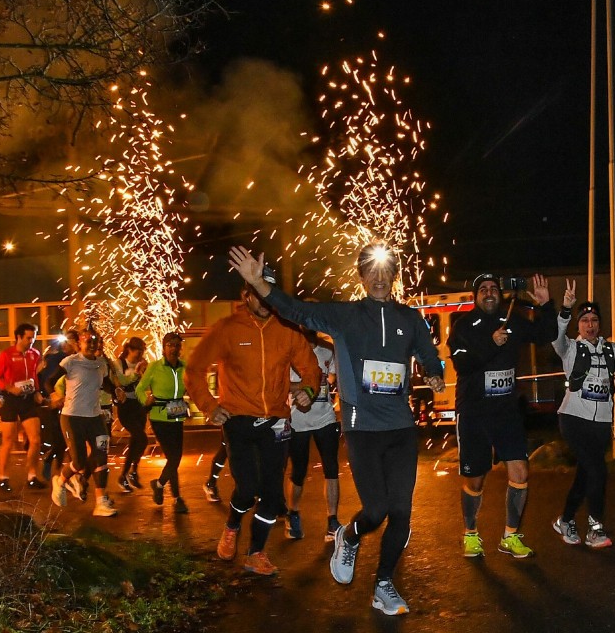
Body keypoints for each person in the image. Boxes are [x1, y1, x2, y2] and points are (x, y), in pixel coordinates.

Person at [230, 243, 444, 615]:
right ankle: (351, 535)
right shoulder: (345, 316)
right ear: (362, 278)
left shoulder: (409, 318)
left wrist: (436, 373)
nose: (379, 278)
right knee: (376, 509)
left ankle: (383, 583)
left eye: (385, 272)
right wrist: (260, 286)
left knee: (402, 513)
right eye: (371, 272)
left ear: (394, 277)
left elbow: (427, 351)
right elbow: (297, 310)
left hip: (401, 427)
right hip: (363, 428)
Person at [185, 280, 322, 577]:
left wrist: (308, 392)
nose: (264, 301)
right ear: (244, 295)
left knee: (273, 496)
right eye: (258, 295)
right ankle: (233, 524)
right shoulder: (227, 328)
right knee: (247, 488)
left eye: (268, 295)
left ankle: (256, 552)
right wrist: (209, 406)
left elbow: (312, 369)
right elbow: (195, 369)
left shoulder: (288, 329)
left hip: (276, 421)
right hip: (238, 420)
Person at [449, 273, 555, 560]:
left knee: (520, 472)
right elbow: (461, 362)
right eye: (483, 289)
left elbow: (547, 335)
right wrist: (491, 345)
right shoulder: (463, 325)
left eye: (493, 288)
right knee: (476, 481)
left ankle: (510, 536)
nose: (489, 293)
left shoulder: (514, 320)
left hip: (507, 412)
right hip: (474, 412)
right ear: (476, 296)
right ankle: (470, 533)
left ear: (499, 294)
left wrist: (546, 306)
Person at [551, 282, 615, 548]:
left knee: (587, 473)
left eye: (594, 320)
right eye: (585, 320)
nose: (590, 325)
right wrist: (566, 307)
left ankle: (565, 520)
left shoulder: (613, 350)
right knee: (597, 470)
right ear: (579, 325)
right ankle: (596, 528)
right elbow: (556, 335)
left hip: (601, 424)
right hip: (573, 419)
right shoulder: (570, 348)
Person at [49, 329, 118, 516]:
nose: (93, 345)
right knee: (78, 461)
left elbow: (106, 383)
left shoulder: (101, 364)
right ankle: (60, 481)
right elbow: (49, 381)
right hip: (72, 417)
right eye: (88, 341)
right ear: (80, 344)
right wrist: (55, 395)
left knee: (101, 455)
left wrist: (116, 392)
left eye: (96, 341)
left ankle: (101, 502)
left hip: (95, 418)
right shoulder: (71, 362)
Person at [285, 331, 342, 542]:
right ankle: (293, 513)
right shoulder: (291, 349)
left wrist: (327, 380)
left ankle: (333, 521)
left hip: (325, 417)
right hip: (297, 420)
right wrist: (305, 386)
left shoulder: (327, 349)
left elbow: (335, 375)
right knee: (298, 472)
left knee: (332, 469)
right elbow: (280, 382)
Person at [136, 332, 189, 513]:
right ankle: (176, 498)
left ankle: (159, 485)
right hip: (159, 416)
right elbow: (140, 388)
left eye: (176, 345)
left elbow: (193, 384)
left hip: (177, 414)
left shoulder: (184, 367)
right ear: (164, 347)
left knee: (175, 458)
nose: (174, 348)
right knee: (173, 458)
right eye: (170, 345)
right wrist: (146, 400)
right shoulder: (155, 367)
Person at [0, 323, 46, 492]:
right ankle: (3, 477)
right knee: (9, 440)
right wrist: (9, 388)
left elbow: (34, 375)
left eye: (34, 337)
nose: (32, 341)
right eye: (29, 338)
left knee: (36, 439)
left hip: (28, 399)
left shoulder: (35, 354)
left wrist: (37, 391)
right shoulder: (6, 354)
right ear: (19, 337)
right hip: (10, 399)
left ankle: (32, 476)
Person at [38, 331, 78, 480]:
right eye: (66, 341)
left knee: (67, 440)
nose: (67, 345)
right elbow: (47, 380)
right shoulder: (57, 359)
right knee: (61, 440)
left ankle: (64, 473)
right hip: (59, 405)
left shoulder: (80, 360)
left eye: (71, 341)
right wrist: (54, 397)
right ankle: (57, 472)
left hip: (75, 404)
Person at [115, 336, 150, 492]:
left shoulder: (143, 364)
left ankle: (129, 473)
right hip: (126, 407)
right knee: (141, 437)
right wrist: (136, 373)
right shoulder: (119, 364)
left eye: (142, 351)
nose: (140, 355)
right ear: (129, 349)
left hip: (139, 406)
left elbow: (147, 383)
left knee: (136, 441)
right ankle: (129, 473)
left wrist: (146, 373)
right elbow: (121, 381)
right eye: (138, 351)